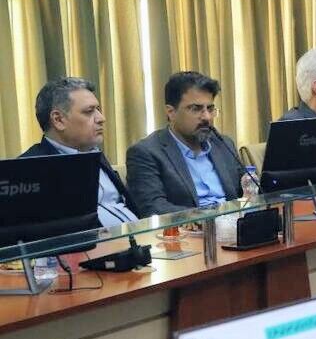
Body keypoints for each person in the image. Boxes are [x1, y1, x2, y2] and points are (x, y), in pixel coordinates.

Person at [20, 77, 139, 227]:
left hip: (140, 237)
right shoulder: (30, 169)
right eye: (89, 111)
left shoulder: (94, 154)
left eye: (98, 110)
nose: (101, 118)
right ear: (58, 120)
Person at [125, 72, 243, 216]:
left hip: (235, 223)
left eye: (210, 109)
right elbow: (153, 207)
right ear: (171, 112)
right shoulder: (146, 152)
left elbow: (247, 189)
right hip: (190, 227)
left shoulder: (223, 144)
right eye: (196, 109)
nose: (206, 117)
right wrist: (205, 218)